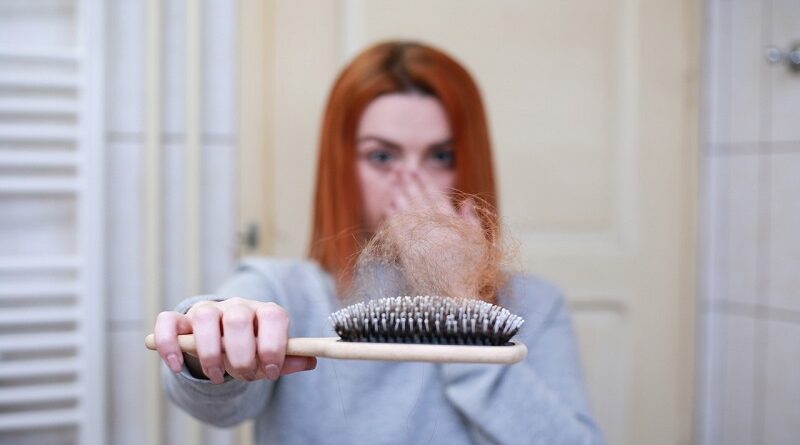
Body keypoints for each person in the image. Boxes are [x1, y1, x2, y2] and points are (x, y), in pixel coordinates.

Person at [153, 41, 604, 444]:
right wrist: (211, 339)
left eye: (441, 156)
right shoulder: (286, 290)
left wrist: (461, 305)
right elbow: (212, 401)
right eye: (382, 156)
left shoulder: (537, 306)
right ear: (342, 165)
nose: (412, 181)